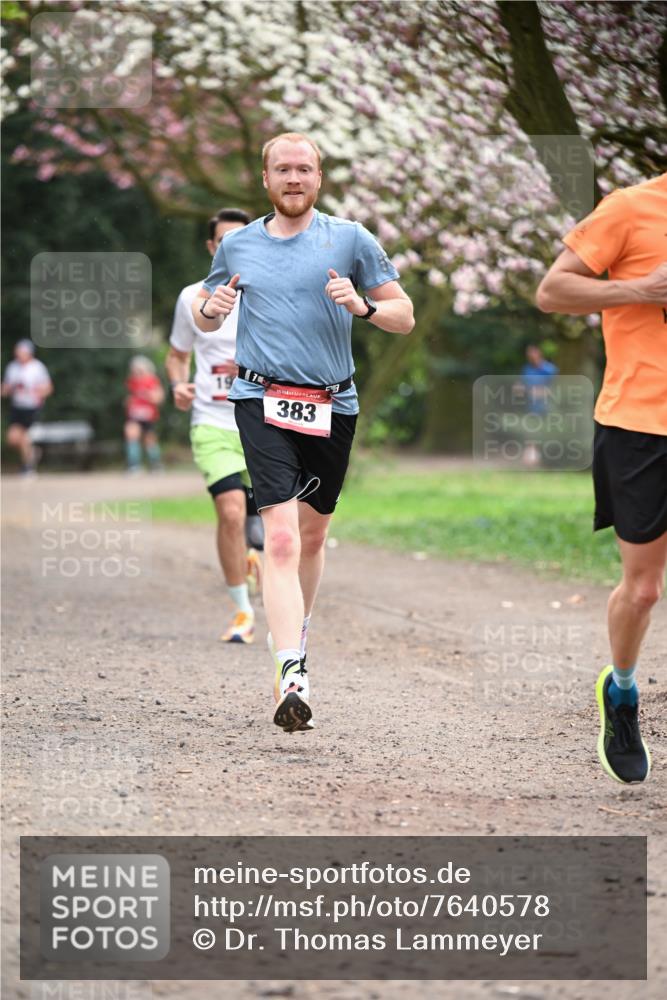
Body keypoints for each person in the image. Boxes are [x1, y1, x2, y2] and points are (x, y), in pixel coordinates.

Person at [192, 132, 414, 733]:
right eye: (282, 169)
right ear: (265, 179)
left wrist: (362, 307)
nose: (294, 178)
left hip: (332, 405)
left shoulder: (351, 239)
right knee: (282, 542)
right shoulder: (238, 246)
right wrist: (211, 311)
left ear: (319, 178)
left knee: (312, 540)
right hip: (259, 397)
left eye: (305, 169)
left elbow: (404, 315)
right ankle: (291, 672)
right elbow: (205, 305)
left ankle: (296, 631)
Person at [536, 172, 667, 784]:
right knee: (642, 591)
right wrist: (641, 289)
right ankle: (620, 691)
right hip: (641, 423)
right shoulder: (631, 209)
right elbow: (553, 291)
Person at [166, 207, 262, 645]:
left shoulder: (269, 294)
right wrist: (177, 385)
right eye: (223, 241)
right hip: (212, 421)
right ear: (211, 247)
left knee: (269, 519)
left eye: (239, 241)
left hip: (264, 422)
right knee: (229, 511)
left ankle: (255, 552)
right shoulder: (192, 298)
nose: (231, 249)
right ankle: (242, 611)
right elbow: (176, 355)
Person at [1, 339, 53, 475]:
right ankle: (33, 453)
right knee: (12, 439)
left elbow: (48, 388)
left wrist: (38, 392)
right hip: (17, 407)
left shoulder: (37, 367)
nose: (18, 354)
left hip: (32, 407)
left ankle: (28, 467)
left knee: (24, 438)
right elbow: (6, 387)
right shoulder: (12, 367)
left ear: (29, 353)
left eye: (21, 351)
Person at [124, 356, 165, 473]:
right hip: (134, 415)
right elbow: (129, 396)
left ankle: (156, 464)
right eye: (134, 370)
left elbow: (159, 398)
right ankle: (133, 465)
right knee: (131, 436)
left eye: (139, 369)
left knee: (150, 441)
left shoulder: (152, 380)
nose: (137, 372)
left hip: (148, 415)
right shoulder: (131, 381)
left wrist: (147, 395)